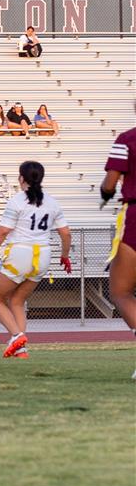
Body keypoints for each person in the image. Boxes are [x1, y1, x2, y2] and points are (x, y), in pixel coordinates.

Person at [0, 161, 71, 359]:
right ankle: (21, 350)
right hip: (43, 256)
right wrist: (65, 256)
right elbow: (65, 233)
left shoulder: (17, 201)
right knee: (17, 301)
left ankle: (17, 336)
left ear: (21, 178)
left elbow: (3, 231)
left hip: (20, 254)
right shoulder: (52, 202)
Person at [99, 127, 136, 368]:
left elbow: (110, 183)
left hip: (135, 215)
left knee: (121, 291)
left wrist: (105, 194)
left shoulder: (127, 139)